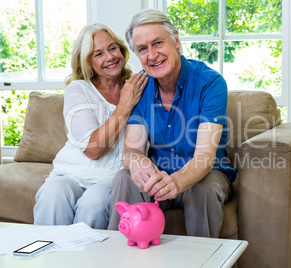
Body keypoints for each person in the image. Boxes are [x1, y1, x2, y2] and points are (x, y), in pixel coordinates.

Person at [107, 9, 236, 238]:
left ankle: (202, 259)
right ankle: (121, 257)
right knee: (123, 177)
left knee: (203, 188)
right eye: (143, 49)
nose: (152, 55)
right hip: (159, 176)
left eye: (158, 43)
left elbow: (204, 158)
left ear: (176, 40)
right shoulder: (140, 86)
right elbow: (131, 150)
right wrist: (136, 160)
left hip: (206, 174)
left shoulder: (210, 83)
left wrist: (175, 181)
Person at [33, 23, 148, 229]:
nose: (110, 57)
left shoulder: (136, 87)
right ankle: (49, 257)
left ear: (121, 50)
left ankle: (86, 260)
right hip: (71, 173)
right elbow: (94, 149)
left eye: (112, 48)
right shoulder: (78, 89)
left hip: (112, 177)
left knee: (93, 204)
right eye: (98, 54)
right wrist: (125, 104)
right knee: (52, 196)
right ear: (88, 62)